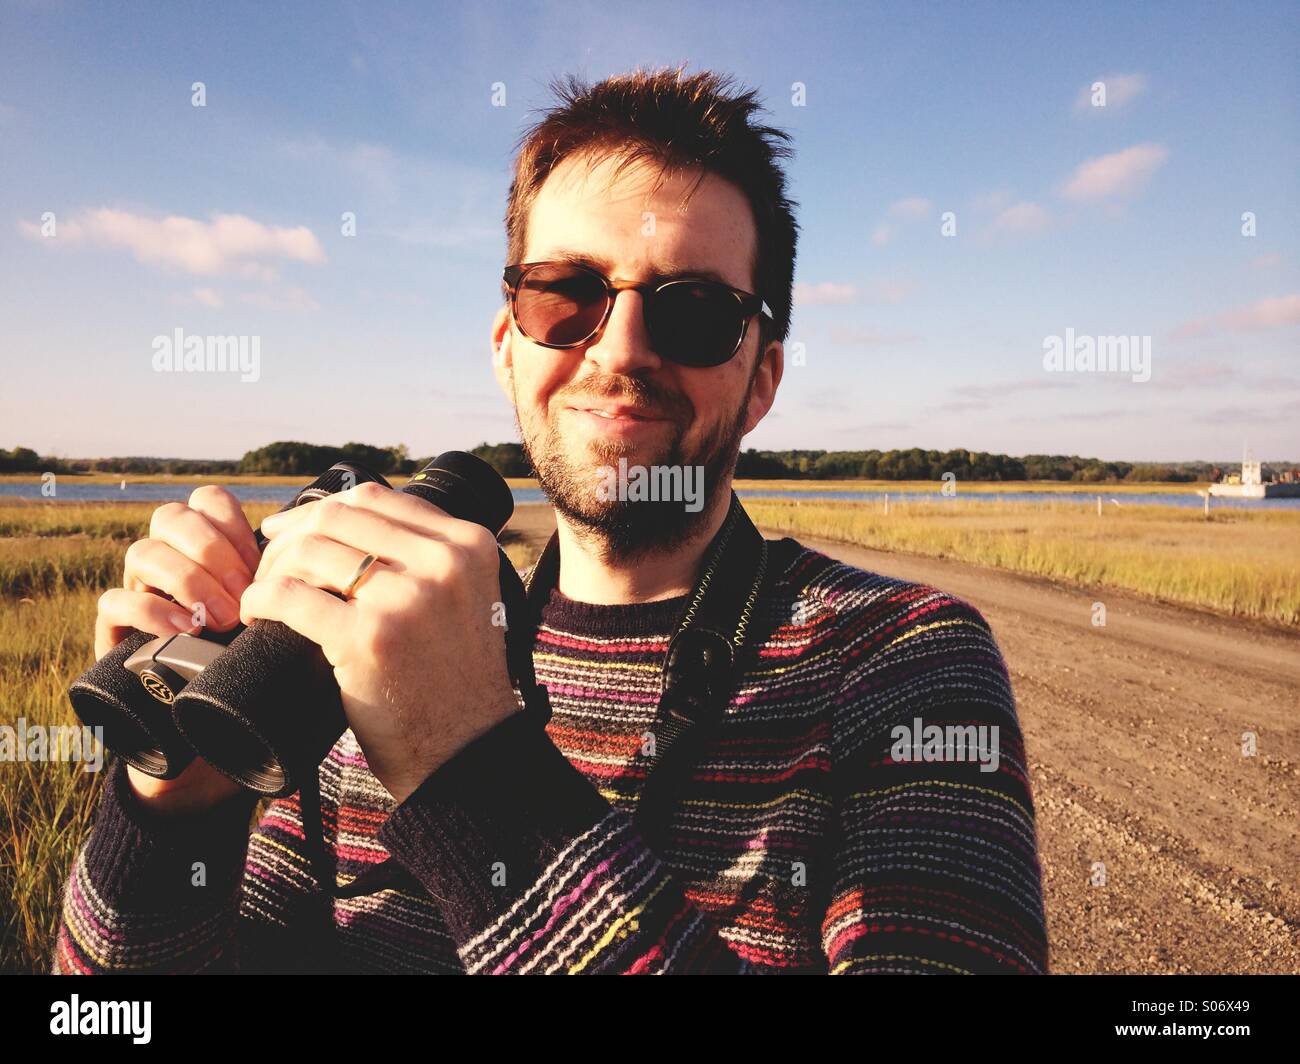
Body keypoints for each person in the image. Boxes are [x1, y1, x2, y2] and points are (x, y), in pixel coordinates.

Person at [52, 67, 1048, 974]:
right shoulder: (353, 644)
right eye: (566, 294)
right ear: (506, 343)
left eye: (693, 309)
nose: (619, 348)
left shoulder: (902, 658)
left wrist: (473, 774)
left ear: (761, 379)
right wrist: (169, 819)